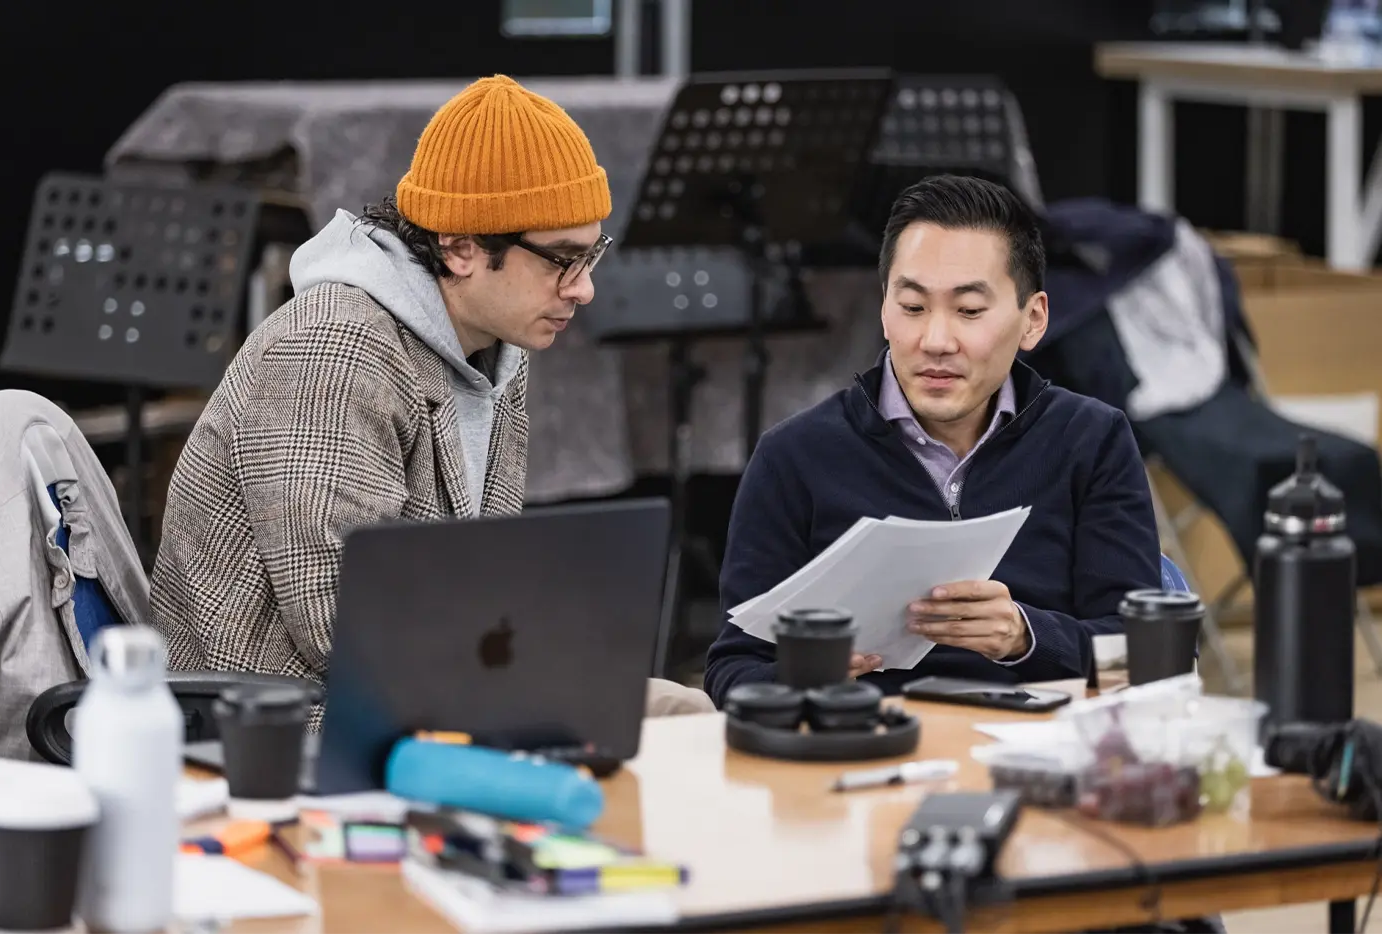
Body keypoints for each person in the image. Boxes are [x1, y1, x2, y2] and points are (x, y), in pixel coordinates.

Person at [150, 75, 713, 717]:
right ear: (461, 247)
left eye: (591, 255)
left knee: (685, 715)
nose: (582, 289)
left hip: (428, 679)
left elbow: (479, 574)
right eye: (562, 260)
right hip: (293, 721)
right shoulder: (334, 353)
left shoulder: (498, 344)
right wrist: (540, 677)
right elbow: (341, 620)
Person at [704, 173, 1162, 705]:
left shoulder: (1092, 441)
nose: (935, 341)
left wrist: (1025, 635)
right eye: (913, 307)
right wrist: (797, 679)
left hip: (1039, 750)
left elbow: (1146, 660)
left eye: (969, 311)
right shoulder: (794, 457)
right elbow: (732, 669)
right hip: (859, 750)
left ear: (1033, 319)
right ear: (883, 309)